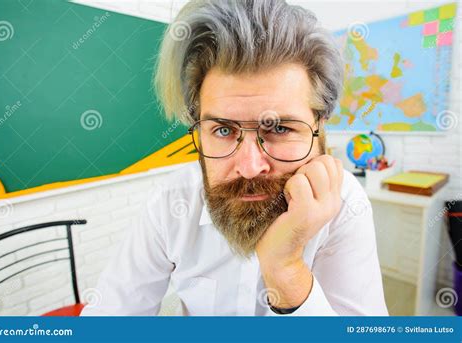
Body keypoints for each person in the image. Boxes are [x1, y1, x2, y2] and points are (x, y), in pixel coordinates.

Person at [81, 0, 388, 316]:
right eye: (223, 130)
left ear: (318, 127)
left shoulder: (346, 205)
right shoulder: (171, 202)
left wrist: (286, 271)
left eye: (279, 128)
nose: (250, 166)